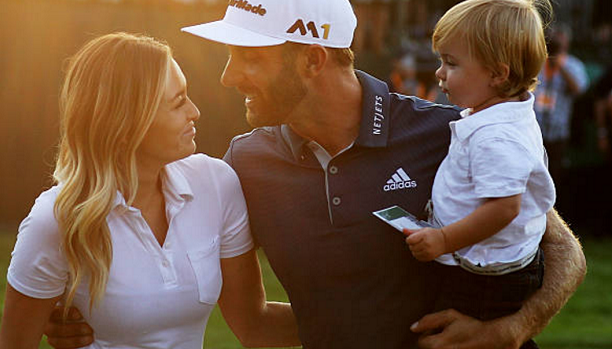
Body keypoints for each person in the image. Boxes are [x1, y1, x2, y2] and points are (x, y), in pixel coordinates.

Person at [46, 1, 586, 348]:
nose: (229, 77)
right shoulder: (244, 163)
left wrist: (512, 329)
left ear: (310, 60)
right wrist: (93, 316)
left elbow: (560, 246)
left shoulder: (451, 132)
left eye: (246, 58)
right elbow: (244, 316)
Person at [0, 32, 299, 349]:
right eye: (178, 102)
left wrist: (352, 315)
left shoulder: (216, 183)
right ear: (126, 124)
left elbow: (256, 325)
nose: (194, 112)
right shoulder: (56, 220)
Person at [402, 1, 554, 347]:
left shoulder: (495, 136)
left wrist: (443, 239)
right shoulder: (498, 114)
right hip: (492, 262)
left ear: (497, 75)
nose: (439, 72)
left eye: (451, 63)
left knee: (445, 337)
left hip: (485, 275)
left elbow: (503, 208)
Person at [534, 24, 589, 182]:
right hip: (536, 128)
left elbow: (579, 89)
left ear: (567, 43)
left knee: (553, 176)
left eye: (560, 40)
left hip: (558, 131)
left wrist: (559, 65)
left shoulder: (573, 65)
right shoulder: (537, 62)